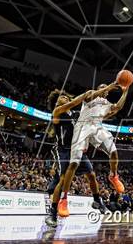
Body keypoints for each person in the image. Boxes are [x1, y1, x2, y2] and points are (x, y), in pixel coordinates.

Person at [57, 82, 129, 217]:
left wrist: (125, 91)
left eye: (106, 89)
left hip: (97, 127)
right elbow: (92, 95)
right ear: (98, 89)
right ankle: (64, 199)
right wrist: (112, 84)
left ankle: (113, 175)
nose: (104, 90)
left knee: (113, 151)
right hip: (82, 128)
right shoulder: (90, 94)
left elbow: (118, 107)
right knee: (73, 164)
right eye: (102, 88)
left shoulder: (106, 104)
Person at [45, 89, 108, 227]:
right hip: (63, 150)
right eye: (62, 97)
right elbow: (75, 102)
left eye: (66, 96)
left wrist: (102, 95)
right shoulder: (57, 112)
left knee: (91, 174)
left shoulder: (75, 114)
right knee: (62, 180)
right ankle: (52, 213)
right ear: (56, 101)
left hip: (77, 149)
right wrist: (86, 95)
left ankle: (97, 200)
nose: (65, 98)